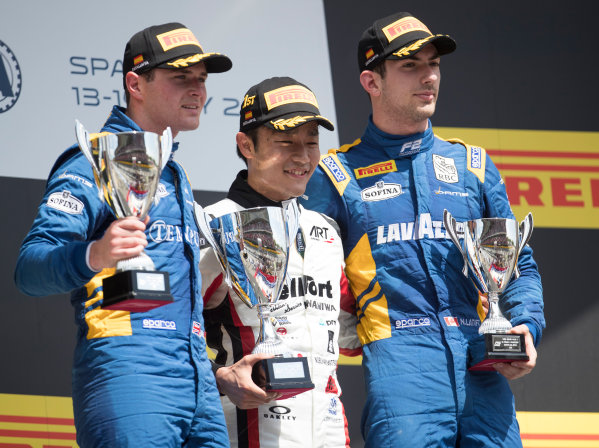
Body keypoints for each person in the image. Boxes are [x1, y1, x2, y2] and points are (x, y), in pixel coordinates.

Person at [300, 12, 545, 448]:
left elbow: (517, 264)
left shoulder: (473, 166)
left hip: (482, 367)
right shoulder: (336, 175)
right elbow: (308, 282)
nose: (428, 76)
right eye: (410, 66)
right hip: (401, 374)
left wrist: (525, 325)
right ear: (371, 82)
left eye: (433, 63)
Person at [15, 22, 232, 447]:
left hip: (197, 383)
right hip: (129, 372)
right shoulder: (91, 162)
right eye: (181, 78)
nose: (197, 91)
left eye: (202, 80)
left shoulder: (173, 170)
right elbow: (29, 268)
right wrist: (95, 254)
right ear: (136, 83)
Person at [199, 76, 361, 447]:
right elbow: (170, 333)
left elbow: (346, 331)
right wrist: (220, 376)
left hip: (330, 431)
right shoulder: (213, 225)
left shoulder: (326, 231)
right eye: (286, 142)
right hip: (245, 428)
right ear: (246, 145)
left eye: (311, 142)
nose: (303, 157)